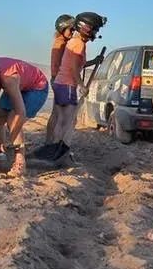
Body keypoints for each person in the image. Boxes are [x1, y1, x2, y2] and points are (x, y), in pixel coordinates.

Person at [34, 11, 107, 163]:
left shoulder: (75, 42)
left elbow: (76, 64)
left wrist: (94, 61)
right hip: (67, 84)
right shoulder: (78, 44)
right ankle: (60, 151)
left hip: (62, 82)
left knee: (61, 119)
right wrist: (81, 86)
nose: (95, 33)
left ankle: (54, 149)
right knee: (69, 121)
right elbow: (73, 69)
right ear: (86, 28)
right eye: (95, 29)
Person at [0, 55, 50, 177]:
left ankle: (20, 162)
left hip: (37, 87)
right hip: (20, 84)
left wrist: (13, 136)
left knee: (12, 119)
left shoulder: (8, 79)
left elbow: (20, 113)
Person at [41, 14, 75, 147]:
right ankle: (53, 143)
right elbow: (67, 65)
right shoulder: (60, 44)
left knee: (56, 114)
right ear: (62, 29)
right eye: (70, 30)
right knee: (60, 116)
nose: (72, 33)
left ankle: (49, 142)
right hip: (60, 80)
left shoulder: (62, 43)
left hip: (57, 80)